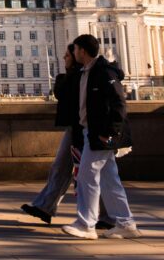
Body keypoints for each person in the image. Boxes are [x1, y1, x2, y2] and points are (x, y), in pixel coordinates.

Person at [21, 45, 113, 229]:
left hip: (87, 128)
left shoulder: (86, 76)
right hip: (74, 127)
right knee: (61, 167)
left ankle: (107, 216)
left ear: (79, 54)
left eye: (67, 55)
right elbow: (61, 94)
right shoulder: (71, 76)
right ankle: (45, 206)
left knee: (94, 174)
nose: (64, 57)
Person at [61, 34, 139, 240]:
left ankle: (86, 224)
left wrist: (110, 134)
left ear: (82, 51)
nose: (72, 52)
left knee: (87, 177)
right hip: (92, 131)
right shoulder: (88, 71)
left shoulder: (103, 72)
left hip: (102, 134)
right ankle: (126, 222)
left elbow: (119, 104)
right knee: (109, 180)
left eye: (75, 49)